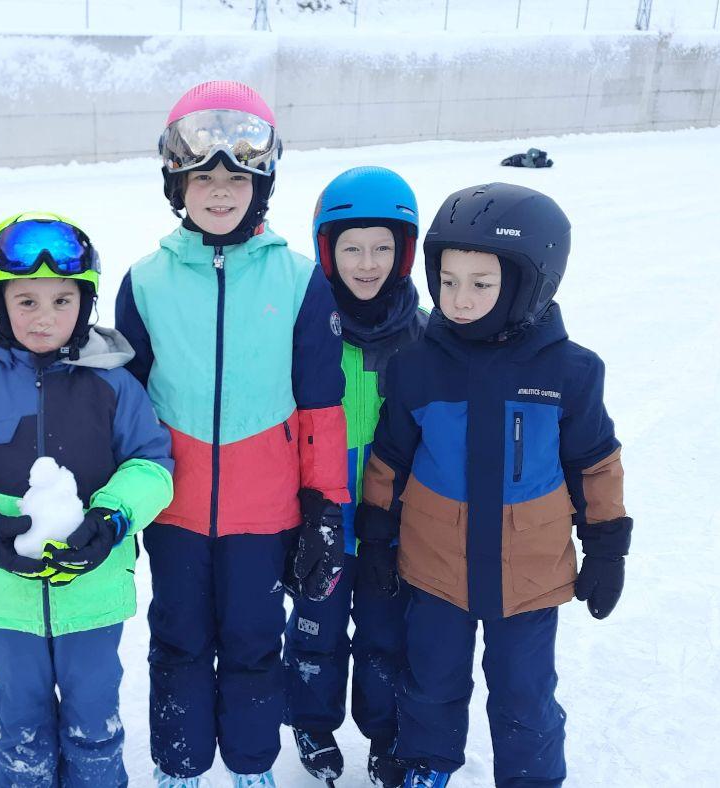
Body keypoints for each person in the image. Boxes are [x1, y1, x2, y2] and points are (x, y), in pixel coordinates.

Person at [114, 80, 349, 788]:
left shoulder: (300, 280)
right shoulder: (145, 282)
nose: (220, 192)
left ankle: (250, 765)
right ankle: (181, 765)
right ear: (177, 186)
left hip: (266, 513)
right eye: (203, 178)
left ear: (262, 184)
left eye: (237, 178)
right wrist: (120, 505)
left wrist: (324, 507)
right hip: (175, 510)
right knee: (178, 641)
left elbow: (321, 409)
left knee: (254, 643)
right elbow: (124, 407)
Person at [359, 183, 633, 788]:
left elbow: (595, 464)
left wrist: (607, 549)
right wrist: (376, 538)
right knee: (430, 682)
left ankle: (531, 777)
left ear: (530, 284)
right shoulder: (417, 366)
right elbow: (389, 460)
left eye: (481, 284)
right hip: (434, 566)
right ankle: (426, 764)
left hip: (528, 576)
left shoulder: (570, 372)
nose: (459, 299)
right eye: (448, 280)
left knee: (524, 695)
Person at [0, 212, 174, 788]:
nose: (44, 317)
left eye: (62, 300)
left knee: (94, 725)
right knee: (21, 729)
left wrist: (110, 519)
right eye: (26, 301)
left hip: (93, 598)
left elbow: (152, 465)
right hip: (5, 604)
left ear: (85, 304)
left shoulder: (114, 385)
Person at [285, 166, 428, 787]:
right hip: (320, 518)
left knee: (384, 636)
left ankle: (384, 732)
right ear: (327, 252)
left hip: (391, 525)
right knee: (314, 631)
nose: (367, 264)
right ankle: (312, 723)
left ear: (404, 254)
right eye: (351, 249)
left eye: (381, 249)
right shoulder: (308, 330)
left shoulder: (424, 338)